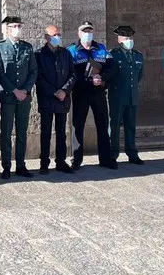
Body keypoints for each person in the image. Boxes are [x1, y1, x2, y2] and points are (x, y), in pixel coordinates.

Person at [0, 16, 38, 180]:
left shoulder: (27, 47)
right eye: (14, 26)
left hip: (24, 98)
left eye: (20, 25)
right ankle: (6, 166)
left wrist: (25, 90)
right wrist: (14, 90)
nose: (18, 28)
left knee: (22, 132)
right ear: (7, 28)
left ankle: (21, 165)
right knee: (6, 132)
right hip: (7, 97)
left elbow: (33, 71)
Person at [67, 21, 114, 169]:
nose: (88, 34)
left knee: (103, 125)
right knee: (78, 126)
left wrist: (103, 79)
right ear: (79, 34)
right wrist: (89, 81)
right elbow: (71, 74)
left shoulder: (101, 48)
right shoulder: (72, 51)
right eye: (85, 31)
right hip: (81, 93)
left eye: (90, 31)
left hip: (99, 92)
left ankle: (106, 159)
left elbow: (110, 67)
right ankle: (76, 159)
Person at [35, 25, 75, 174]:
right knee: (45, 132)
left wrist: (64, 90)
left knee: (61, 132)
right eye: (54, 34)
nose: (58, 36)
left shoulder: (65, 53)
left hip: (62, 99)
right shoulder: (39, 54)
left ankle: (61, 161)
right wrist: (53, 92)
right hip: (47, 99)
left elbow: (72, 74)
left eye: (59, 34)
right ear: (47, 37)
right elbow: (38, 77)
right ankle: (44, 163)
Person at [107, 25, 144, 165]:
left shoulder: (138, 55)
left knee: (131, 126)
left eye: (130, 38)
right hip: (117, 96)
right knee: (114, 126)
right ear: (119, 39)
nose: (129, 40)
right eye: (126, 38)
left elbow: (139, 75)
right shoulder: (113, 55)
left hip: (132, 96)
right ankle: (112, 154)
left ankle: (132, 153)